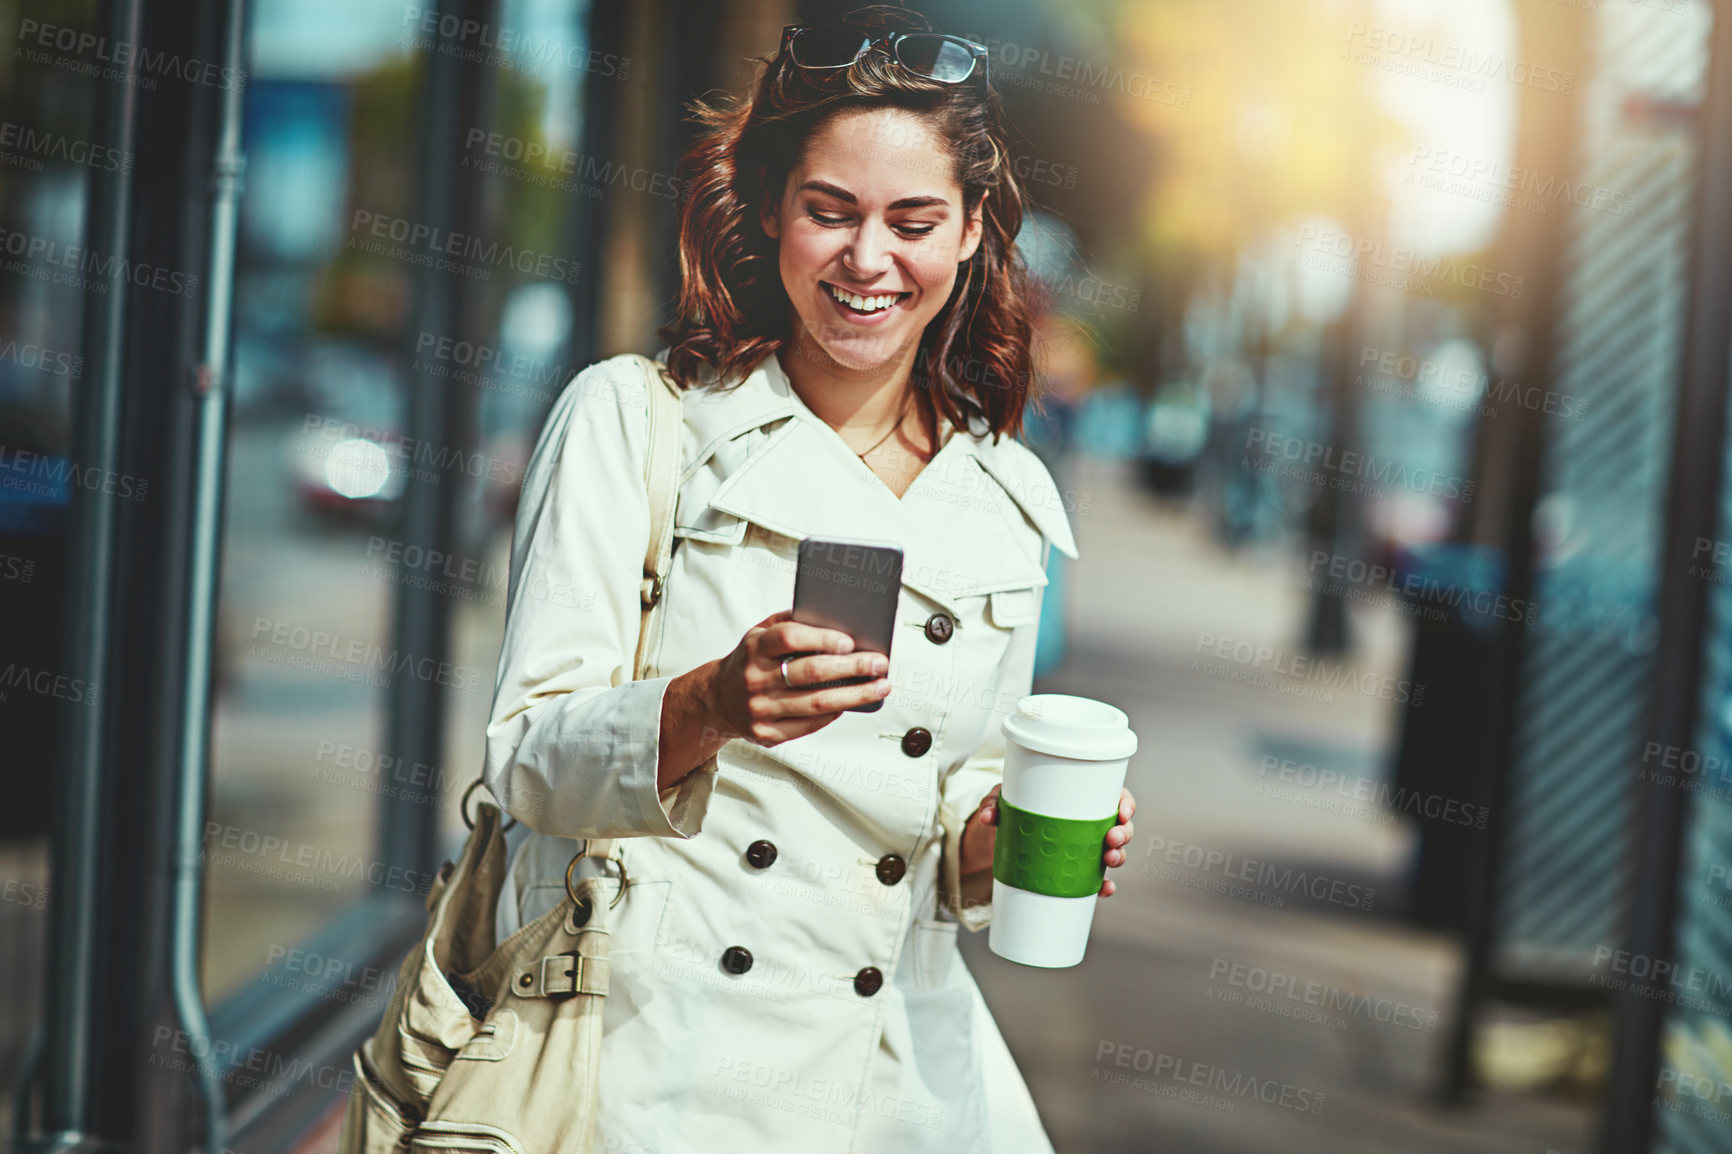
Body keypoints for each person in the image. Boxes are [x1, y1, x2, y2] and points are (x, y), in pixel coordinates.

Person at [482, 9, 1137, 1151]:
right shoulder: (638, 423)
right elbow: (525, 761)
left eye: (913, 220)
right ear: (774, 208)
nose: (867, 259)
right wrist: (708, 704)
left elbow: (946, 831)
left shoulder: (1006, 493)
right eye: (830, 212)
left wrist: (999, 842)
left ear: (973, 229)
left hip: (902, 1074)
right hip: (661, 1058)